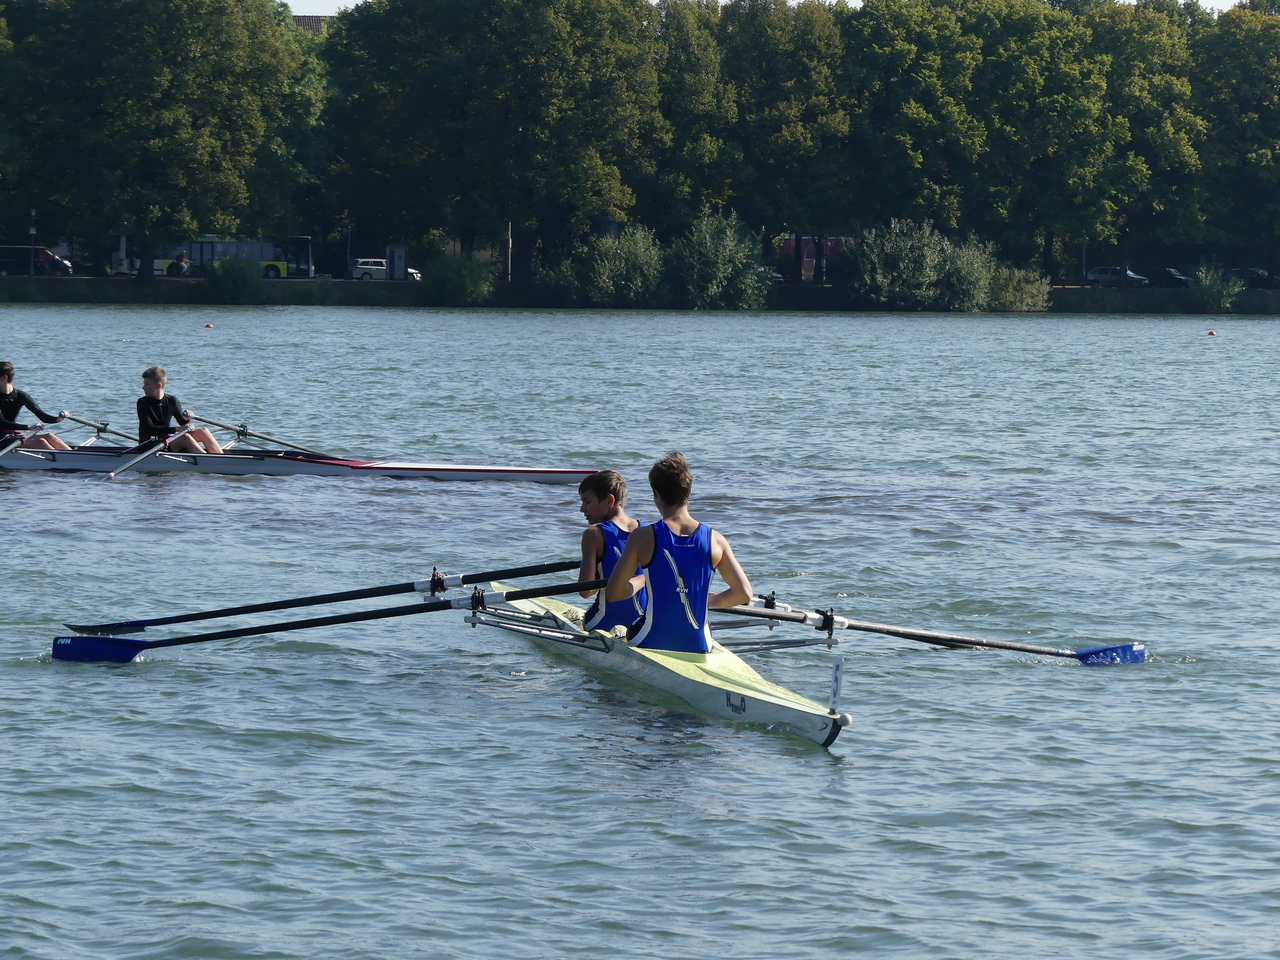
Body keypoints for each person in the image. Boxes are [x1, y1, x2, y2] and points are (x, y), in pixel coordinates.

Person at [606, 452, 752, 653]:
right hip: (699, 645)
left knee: (628, 628)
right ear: (688, 493)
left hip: (649, 639)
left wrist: (643, 580)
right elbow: (743, 594)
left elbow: (614, 593)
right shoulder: (716, 539)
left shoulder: (642, 536)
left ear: (658, 494)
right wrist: (705, 602)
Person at [576, 469, 646, 632]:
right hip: (642, 628)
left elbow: (585, 591)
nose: (582, 509)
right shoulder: (649, 531)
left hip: (601, 624)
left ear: (610, 500)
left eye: (587, 502)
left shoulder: (594, 534)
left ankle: (576, 620)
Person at [136, 366, 223, 454]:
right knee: (186, 438)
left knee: (203, 431)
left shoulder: (172, 400)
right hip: (149, 444)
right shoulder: (142, 402)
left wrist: (186, 419)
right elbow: (150, 429)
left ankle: (221, 457)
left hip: (165, 441)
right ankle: (207, 461)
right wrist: (177, 429)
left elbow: (183, 424)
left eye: (147, 384)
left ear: (159, 386)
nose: (143, 387)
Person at [0, 361, 71, 450]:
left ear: (5, 378)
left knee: (50, 436)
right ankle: (64, 458)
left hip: (11, 436)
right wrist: (28, 427)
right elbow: (1, 422)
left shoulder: (21, 395)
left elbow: (42, 416)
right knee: (41, 442)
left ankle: (75, 456)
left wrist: (58, 419)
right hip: (2, 438)